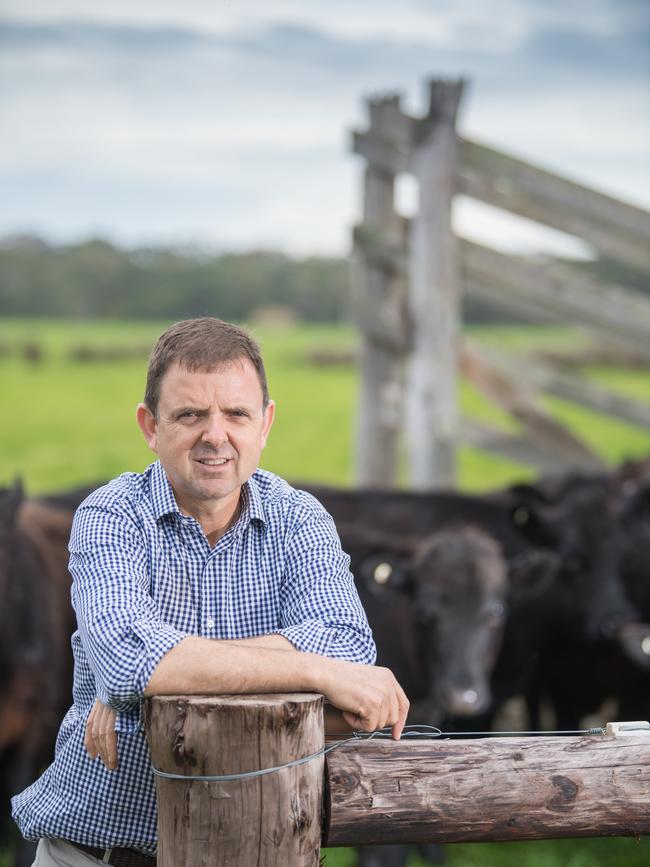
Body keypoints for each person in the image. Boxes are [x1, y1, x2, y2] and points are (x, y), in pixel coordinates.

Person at [12, 317, 409, 866]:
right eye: (190, 414)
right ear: (150, 426)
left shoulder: (300, 519)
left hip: (253, 850)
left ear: (265, 423)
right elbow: (130, 659)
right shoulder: (111, 516)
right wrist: (314, 670)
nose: (215, 435)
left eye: (237, 414)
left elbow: (347, 645)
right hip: (98, 855)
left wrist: (157, 675)